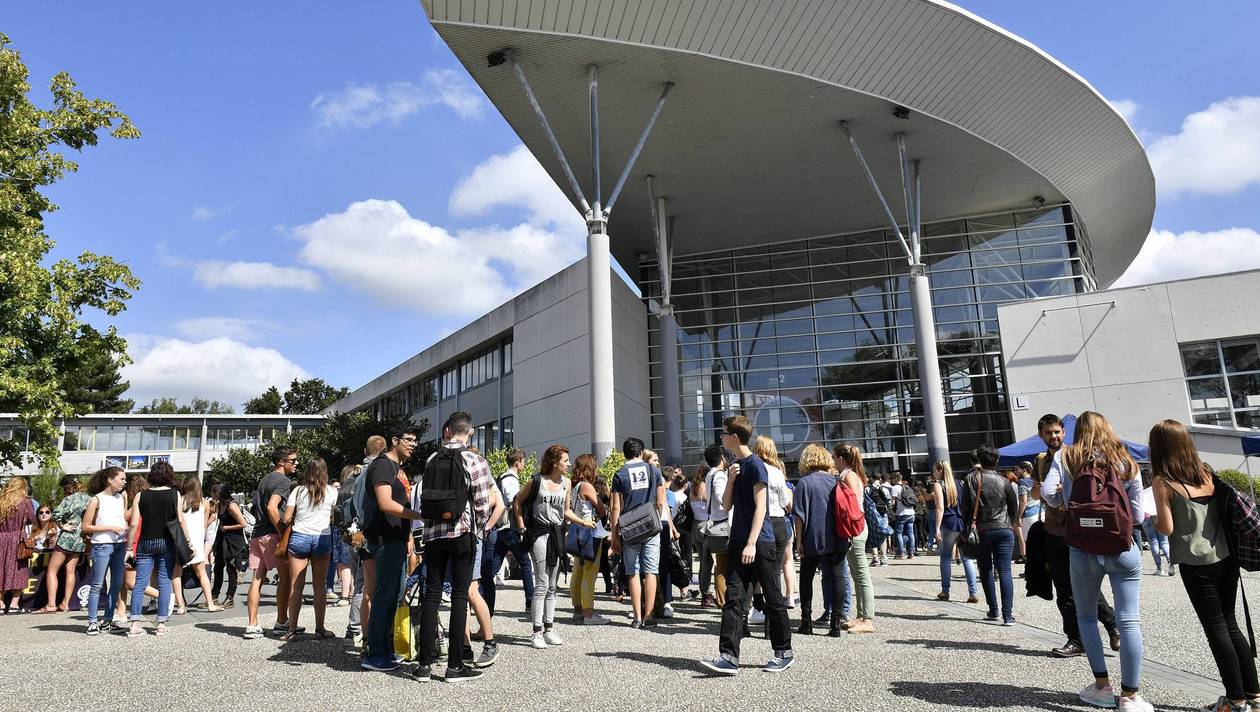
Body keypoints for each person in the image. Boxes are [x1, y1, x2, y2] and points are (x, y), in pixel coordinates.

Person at [1042, 411, 1150, 712]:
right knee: (1129, 620)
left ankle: (1102, 687)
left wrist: (1068, 501)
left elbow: (1049, 494)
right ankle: (1130, 696)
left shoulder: (1066, 458)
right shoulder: (1125, 460)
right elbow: (1139, 516)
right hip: (1122, 545)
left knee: (1086, 617)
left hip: (1082, 547)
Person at [1148, 420, 1256, 712]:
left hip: (1196, 563)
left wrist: (1153, 519)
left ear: (1158, 447)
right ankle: (1254, 696)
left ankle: (1234, 699)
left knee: (1216, 629)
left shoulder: (1162, 481)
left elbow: (1167, 528)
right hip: (1226, 557)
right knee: (1231, 625)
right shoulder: (1206, 471)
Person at [700, 416, 794, 675]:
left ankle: (784, 652)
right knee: (734, 598)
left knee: (773, 596)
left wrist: (752, 542)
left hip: (759, 542)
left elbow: (761, 505)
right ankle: (728, 656)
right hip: (738, 540)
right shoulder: (736, 466)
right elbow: (726, 506)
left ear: (734, 437)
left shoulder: (756, 466)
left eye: (724, 433)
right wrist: (730, 480)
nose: (721, 437)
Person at [413, 413, 495, 683]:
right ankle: (455, 666)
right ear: (469, 433)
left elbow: (424, 497)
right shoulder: (475, 460)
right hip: (462, 532)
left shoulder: (431, 459)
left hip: (433, 534)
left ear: (446, 431)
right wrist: (477, 527)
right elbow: (483, 503)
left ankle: (424, 665)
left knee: (431, 596)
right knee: (460, 596)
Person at [1033, 413, 1121, 658]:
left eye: (1057, 431)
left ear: (1064, 432)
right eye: (1048, 432)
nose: (1053, 436)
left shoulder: (1074, 454)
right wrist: (1040, 491)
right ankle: (1075, 638)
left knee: (1086, 584)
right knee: (1063, 587)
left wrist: (1063, 495)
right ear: (1041, 435)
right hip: (1052, 528)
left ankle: (1112, 624)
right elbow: (1037, 493)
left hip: (1077, 528)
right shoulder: (1040, 460)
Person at [515, 444, 591, 650]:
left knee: (552, 585)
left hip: (557, 534)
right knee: (542, 582)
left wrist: (583, 522)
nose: (568, 464)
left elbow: (566, 511)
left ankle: (549, 627)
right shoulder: (536, 481)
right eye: (565, 460)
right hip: (539, 534)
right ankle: (536, 631)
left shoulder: (566, 483)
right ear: (555, 462)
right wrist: (522, 527)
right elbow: (517, 501)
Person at [359, 427, 423, 672]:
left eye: (415, 441)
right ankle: (375, 653)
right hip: (383, 539)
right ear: (394, 441)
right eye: (408, 440)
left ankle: (385, 649)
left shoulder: (399, 469)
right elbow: (385, 503)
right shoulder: (383, 465)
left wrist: (407, 534)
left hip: (397, 538)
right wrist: (419, 515)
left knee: (395, 594)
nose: (413, 444)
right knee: (384, 594)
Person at [127, 461, 189, 637]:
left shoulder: (140, 496)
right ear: (169, 475)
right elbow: (181, 520)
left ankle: (135, 623)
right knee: (164, 582)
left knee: (140, 583)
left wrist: (130, 546)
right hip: (166, 542)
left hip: (145, 542)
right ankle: (160, 623)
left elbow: (133, 523)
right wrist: (188, 541)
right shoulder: (174, 494)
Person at [610, 437, 666, 629]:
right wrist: (655, 518)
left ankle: (636, 617)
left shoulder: (620, 474)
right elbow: (660, 502)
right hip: (650, 526)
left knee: (632, 571)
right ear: (641, 452)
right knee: (651, 570)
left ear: (625, 453)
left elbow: (616, 507)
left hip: (629, 527)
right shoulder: (654, 471)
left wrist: (614, 534)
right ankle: (649, 616)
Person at [245, 446, 299, 639]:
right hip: (272, 534)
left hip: (257, 534)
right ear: (281, 462)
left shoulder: (264, 480)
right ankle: (282, 621)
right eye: (292, 461)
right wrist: (283, 532)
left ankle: (252, 624)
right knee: (284, 578)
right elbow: (272, 507)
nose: (296, 464)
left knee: (257, 579)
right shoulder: (283, 481)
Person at [960, 447, 1018, 626]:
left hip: (982, 529)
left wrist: (969, 525)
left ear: (979, 460)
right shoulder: (1004, 481)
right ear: (997, 461)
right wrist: (1009, 522)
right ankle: (1008, 615)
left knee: (985, 569)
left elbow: (965, 507)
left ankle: (994, 610)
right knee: (1005, 571)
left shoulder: (971, 479)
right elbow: (1013, 508)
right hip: (1004, 528)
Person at [280, 457, 337, 641]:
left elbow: (287, 518)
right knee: (319, 586)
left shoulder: (298, 491)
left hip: (300, 537)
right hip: (322, 537)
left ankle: (291, 629)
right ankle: (320, 628)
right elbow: (335, 516)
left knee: (297, 586)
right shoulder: (331, 491)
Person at [791, 444, 845, 636]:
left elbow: (799, 515)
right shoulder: (836, 480)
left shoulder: (804, 483)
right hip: (837, 536)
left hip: (812, 536)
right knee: (837, 577)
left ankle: (806, 622)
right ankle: (836, 624)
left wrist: (798, 540)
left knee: (806, 578)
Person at [483, 448, 534, 618]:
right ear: (517, 462)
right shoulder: (510, 480)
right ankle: (530, 601)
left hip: (502, 529)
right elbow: (515, 502)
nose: (524, 465)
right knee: (525, 562)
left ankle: (480, 596)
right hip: (510, 528)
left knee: (493, 566)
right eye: (523, 461)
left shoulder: (504, 478)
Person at [346, 435, 385, 646]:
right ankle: (358, 631)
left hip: (353, 532)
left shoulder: (355, 472)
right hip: (369, 532)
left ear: (365, 450)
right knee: (366, 584)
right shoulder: (378, 471)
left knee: (359, 580)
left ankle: (353, 630)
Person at [80, 467, 129, 634]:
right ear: (110, 479)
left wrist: (126, 528)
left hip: (120, 544)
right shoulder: (96, 500)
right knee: (97, 584)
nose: (124, 481)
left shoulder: (121, 498)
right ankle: (92, 621)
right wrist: (109, 528)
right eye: (121, 478)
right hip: (102, 545)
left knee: (116, 584)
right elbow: (86, 526)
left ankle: (108, 619)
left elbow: (122, 518)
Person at [834, 444, 875, 634]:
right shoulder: (850, 475)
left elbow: (850, 506)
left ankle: (868, 619)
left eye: (834, 457)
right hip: (855, 528)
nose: (833, 461)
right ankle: (861, 615)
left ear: (841, 458)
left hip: (854, 529)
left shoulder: (849, 476)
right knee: (857, 575)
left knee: (862, 574)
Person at [752, 436, 794, 616]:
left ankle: (756, 606)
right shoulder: (776, 472)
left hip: (755, 521)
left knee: (752, 570)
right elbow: (786, 502)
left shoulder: (749, 470)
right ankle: (773, 619)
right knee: (774, 571)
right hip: (776, 520)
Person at [37, 475, 89, 613]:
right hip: (80, 538)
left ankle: (51, 604)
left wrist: (62, 525)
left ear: (67, 486)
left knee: (52, 571)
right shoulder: (87, 498)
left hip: (67, 538)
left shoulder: (68, 499)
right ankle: (65, 603)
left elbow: (56, 514)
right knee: (70, 571)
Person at [569, 453, 610, 625]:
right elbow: (601, 509)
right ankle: (588, 613)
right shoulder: (587, 486)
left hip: (578, 530)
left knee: (578, 571)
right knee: (590, 573)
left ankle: (578, 609)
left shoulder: (575, 485)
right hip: (590, 531)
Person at [172, 475, 221, 614]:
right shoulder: (204, 503)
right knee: (202, 574)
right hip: (198, 542)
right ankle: (210, 603)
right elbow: (205, 525)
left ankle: (181, 605)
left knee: (177, 574)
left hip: (182, 542)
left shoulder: (179, 501)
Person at [932, 461, 978, 603]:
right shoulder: (961, 483)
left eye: (935, 470)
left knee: (945, 557)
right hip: (962, 523)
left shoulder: (939, 485)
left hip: (948, 523)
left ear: (940, 470)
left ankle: (945, 591)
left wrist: (937, 528)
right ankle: (973, 592)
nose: (934, 473)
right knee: (967, 558)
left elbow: (940, 507)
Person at [0, 476, 35, 614]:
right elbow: (31, 519)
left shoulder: (1, 501)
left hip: (1, 538)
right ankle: (14, 604)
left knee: (1, 569)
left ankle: (1, 603)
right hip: (18, 539)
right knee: (19, 570)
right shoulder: (26, 502)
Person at [700, 445, 730, 608]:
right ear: (721, 458)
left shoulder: (709, 474)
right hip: (723, 524)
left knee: (720, 565)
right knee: (724, 565)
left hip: (713, 522)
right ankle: (724, 600)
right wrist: (730, 504)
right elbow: (720, 496)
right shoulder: (719, 475)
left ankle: (721, 599)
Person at [210, 484, 247, 608]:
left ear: (220, 494)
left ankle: (230, 597)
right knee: (218, 567)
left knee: (231, 568)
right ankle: (213, 596)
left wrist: (226, 527)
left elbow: (243, 523)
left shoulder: (231, 505)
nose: (212, 496)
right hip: (222, 538)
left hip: (233, 540)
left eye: (214, 494)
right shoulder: (220, 504)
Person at [1139, 473, 1172, 578]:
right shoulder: (1156, 488)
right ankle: (1170, 563)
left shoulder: (1140, 490)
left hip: (1145, 517)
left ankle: (1159, 568)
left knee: (1153, 542)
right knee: (1164, 541)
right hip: (1158, 515)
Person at [688, 464, 712, 605]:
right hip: (705, 525)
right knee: (707, 562)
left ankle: (705, 593)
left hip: (695, 525)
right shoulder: (705, 487)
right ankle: (706, 594)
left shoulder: (693, 488)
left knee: (703, 561)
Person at [890, 472, 916, 560]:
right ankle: (911, 553)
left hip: (901, 513)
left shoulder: (895, 488)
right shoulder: (908, 487)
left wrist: (892, 509)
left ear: (895, 479)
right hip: (911, 513)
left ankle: (900, 553)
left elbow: (893, 502)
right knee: (910, 533)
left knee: (898, 533)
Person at [1017, 461, 1041, 552]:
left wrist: (1019, 517)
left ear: (1024, 470)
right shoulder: (1035, 480)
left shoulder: (1022, 482)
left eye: (1017, 469)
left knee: (1029, 541)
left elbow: (1023, 502)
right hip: (1040, 512)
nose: (1016, 472)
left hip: (1028, 515)